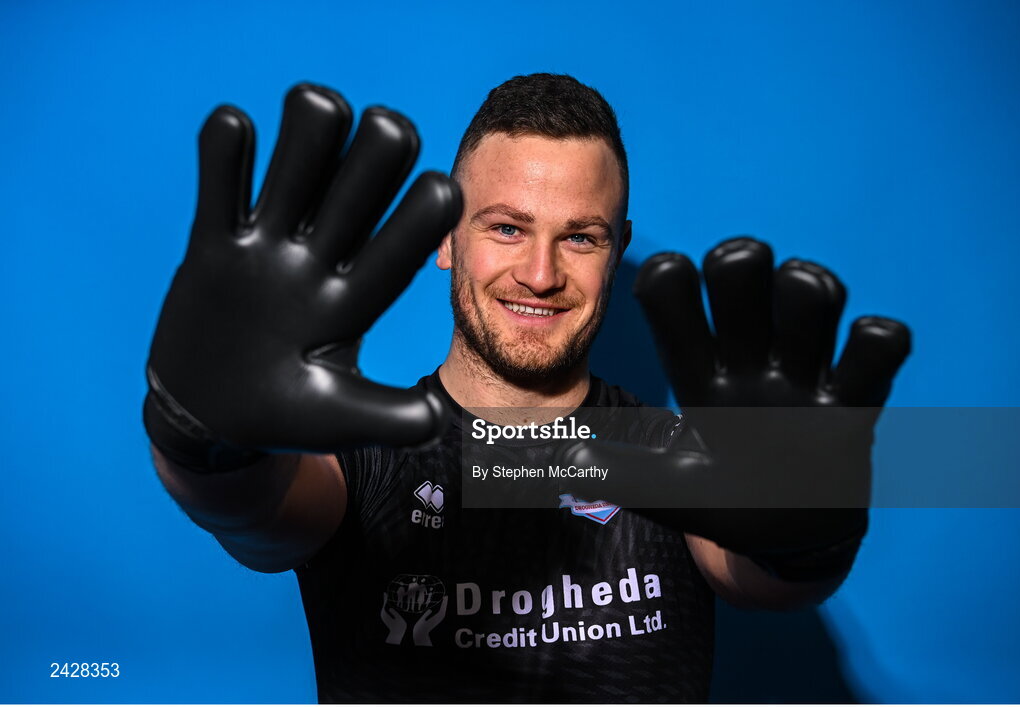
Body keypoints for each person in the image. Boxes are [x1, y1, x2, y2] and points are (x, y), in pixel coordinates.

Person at [144, 74, 910, 702]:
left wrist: (810, 539)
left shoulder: (675, 457)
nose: (541, 275)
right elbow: (252, 514)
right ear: (446, 237)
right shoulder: (361, 459)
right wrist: (197, 435)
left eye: (580, 236)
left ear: (616, 253)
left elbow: (766, 578)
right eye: (507, 227)